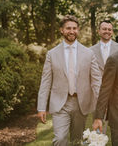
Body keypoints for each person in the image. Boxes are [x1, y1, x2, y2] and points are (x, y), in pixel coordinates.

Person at [37, 15, 101, 145]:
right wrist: (41, 107)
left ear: (78, 30)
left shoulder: (89, 53)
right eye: (68, 28)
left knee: (77, 140)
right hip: (60, 103)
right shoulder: (52, 54)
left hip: (81, 103)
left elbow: (96, 81)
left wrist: (101, 105)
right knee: (60, 138)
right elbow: (45, 82)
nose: (71, 31)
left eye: (74, 28)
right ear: (62, 30)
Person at [90, 20, 118, 133]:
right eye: (104, 29)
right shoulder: (90, 51)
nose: (107, 31)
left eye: (109, 29)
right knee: (98, 127)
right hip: (98, 92)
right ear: (99, 31)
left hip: (117, 93)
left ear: (112, 31)